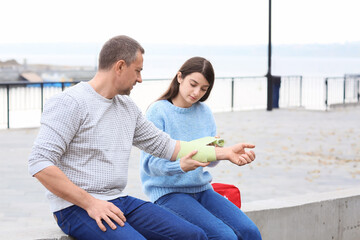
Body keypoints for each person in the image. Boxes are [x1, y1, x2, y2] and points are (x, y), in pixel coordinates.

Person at [28, 36, 257, 240]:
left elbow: (168, 146)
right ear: (120, 66)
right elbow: (40, 162)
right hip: (75, 207)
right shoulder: (70, 103)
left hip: (119, 199)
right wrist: (91, 203)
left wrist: (223, 153)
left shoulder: (126, 107)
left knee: (193, 235)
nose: (140, 79)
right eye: (137, 70)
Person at [140, 57, 262, 240]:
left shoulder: (205, 112)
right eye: (193, 84)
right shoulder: (158, 111)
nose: (197, 93)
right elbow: (149, 164)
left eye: (204, 89)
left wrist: (223, 153)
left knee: (250, 232)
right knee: (225, 237)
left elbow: (210, 162)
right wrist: (181, 165)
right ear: (180, 77)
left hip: (202, 189)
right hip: (168, 193)